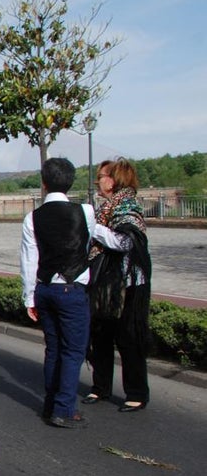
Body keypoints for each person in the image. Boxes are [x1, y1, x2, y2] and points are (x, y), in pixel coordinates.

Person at [19, 158, 96, 429]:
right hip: (72, 286)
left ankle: (51, 403)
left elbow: (29, 259)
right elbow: (87, 242)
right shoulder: (85, 211)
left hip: (45, 287)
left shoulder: (33, 217)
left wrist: (29, 297)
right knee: (73, 351)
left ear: (43, 182)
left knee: (53, 349)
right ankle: (63, 408)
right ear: (71, 181)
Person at [84, 158, 152, 412]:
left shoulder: (127, 206)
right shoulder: (106, 208)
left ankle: (136, 392)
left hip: (129, 282)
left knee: (128, 337)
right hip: (106, 282)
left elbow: (125, 243)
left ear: (113, 180)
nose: (98, 182)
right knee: (101, 333)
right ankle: (100, 386)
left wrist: (94, 229)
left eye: (100, 176)